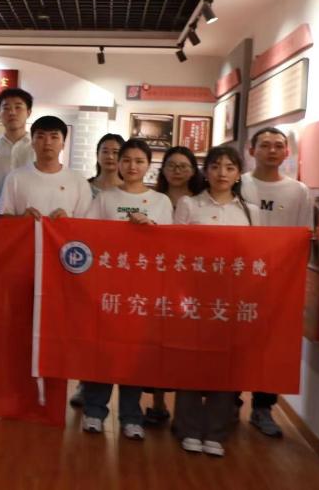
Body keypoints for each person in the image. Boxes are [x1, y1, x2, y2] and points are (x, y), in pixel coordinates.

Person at [82, 139, 174, 440]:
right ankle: (94, 411)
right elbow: (88, 234)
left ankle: (131, 416)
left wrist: (151, 227)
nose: (132, 166)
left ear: (148, 165)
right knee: (104, 349)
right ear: (118, 163)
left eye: (139, 161)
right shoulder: (104, 198)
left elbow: (171, 243)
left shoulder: (161, 201)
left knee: (134, 353)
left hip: (143, 288)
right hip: (108, 285)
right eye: (127, 160)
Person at [172, 145, 260, 458]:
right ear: (205, 171)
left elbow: (257, 255)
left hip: (232, 298)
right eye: (215, 166)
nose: (222, 173)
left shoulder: (250, 211)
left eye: (230, 167)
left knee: (226, 364)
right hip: (193, 297)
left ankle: (216, 431)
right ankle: (188, 427)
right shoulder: (189, 204)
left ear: (238, 174)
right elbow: (175, 251)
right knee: (190, 362)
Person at [240, 127, 313, 438]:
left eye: (278, 146)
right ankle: (229, 401)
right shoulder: (239, 183)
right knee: (236, 341)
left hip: (278, 282)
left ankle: (263, 408)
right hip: (239, 277)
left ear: (287, 152)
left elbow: (303, 237)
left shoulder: (299, 191)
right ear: (251, 150)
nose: (272, 151)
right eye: (265, 145)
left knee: (271, 345)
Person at [145, 145, 205, 424]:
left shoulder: (201, 202)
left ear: (194, 171)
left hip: (193, 281)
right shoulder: (153, 199)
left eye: (183, 166)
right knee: (158, 342)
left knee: (187, 344)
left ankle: (187, 407)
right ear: (163, 170)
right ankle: (157, 404)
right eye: (171, 165)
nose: (177, 171)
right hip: (157, 278)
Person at [0, 115, 92, 220]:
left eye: (54, 137)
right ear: (32, 143)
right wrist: (22, 219)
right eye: (41, 137)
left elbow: (86, 224)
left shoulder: (78, 181)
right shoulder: (15, 177)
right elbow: (2, 218)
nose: (47, 142)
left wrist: (67, 222)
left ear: (63, 144)